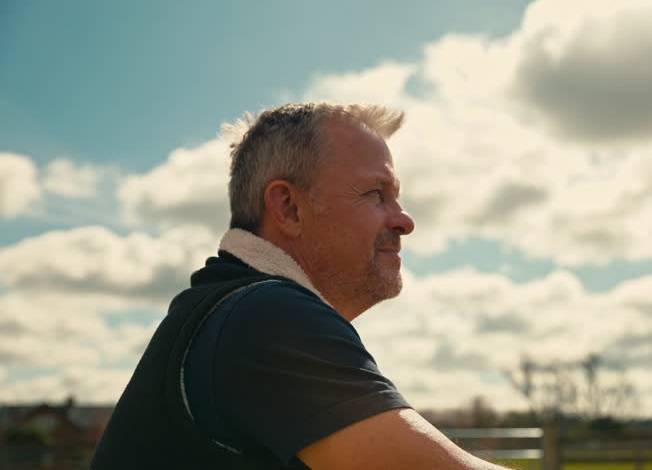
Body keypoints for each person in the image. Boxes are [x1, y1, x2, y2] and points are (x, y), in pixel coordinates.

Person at [92, 103, 512, 469]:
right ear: (289, 208)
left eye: (396, 197)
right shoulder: (266, 317)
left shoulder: (228, 309)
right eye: (375, 194)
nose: (404, 220)